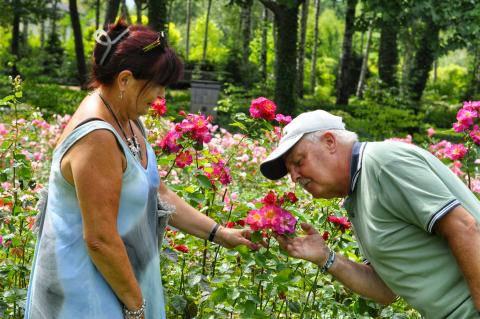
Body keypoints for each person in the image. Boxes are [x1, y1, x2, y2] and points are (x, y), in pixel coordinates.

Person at [25, 21, 257, 319]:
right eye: (158, 85)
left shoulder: (128, 118)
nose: (161, 96)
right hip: (84, 297)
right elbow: (100, 239)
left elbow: (158, 193)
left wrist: (220, 234)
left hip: (117, 284)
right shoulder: (97, 138)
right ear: (125, 80)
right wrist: (137, 308)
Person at [260, 109, 480, 318]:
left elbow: (464, 227)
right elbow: (385, 290)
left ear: (329, 142)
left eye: (298, 162)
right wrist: (326, 257)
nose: (295, 177)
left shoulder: (384, 164)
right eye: (290, 171)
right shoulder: (358, 194)